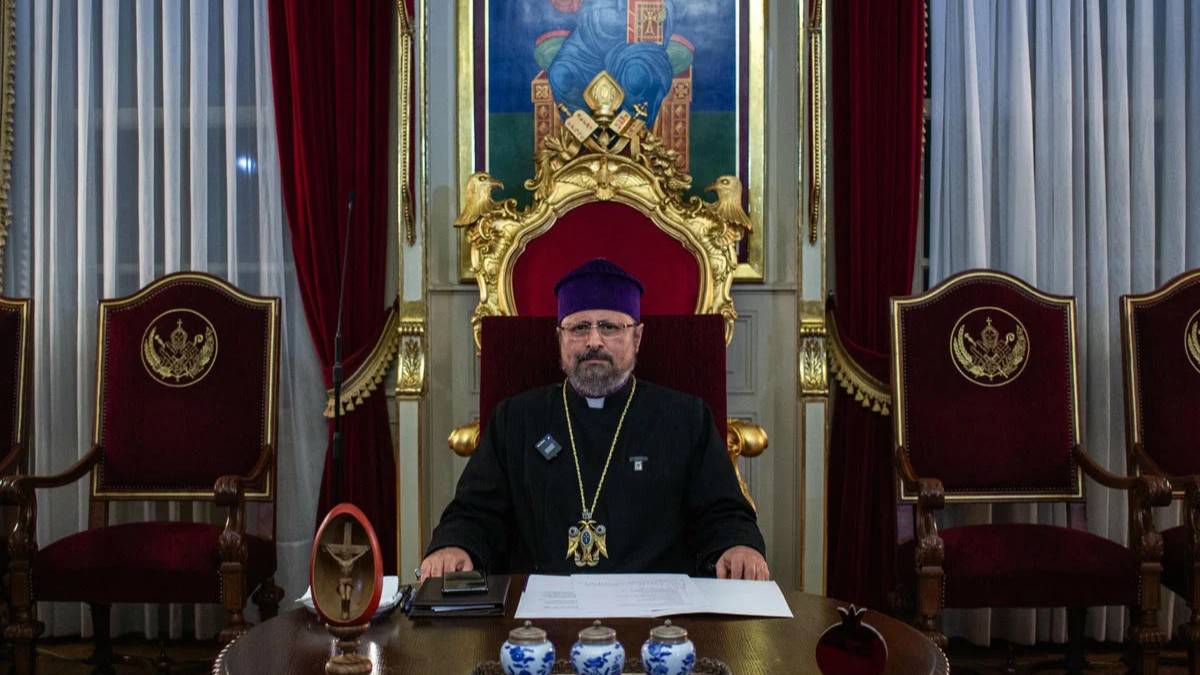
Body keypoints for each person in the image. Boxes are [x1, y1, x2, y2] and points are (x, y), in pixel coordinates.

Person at [421, 259, 769, 580]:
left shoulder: (686, 419)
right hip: (537, 611)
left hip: (657, 610)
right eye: (578, 328)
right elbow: (476, 511)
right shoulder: (515, 419)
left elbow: (722, 512)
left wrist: (737, 545)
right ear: (560, 338)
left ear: (637, 338)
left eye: (609, 327)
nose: (593, 341)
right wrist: (456, 545)